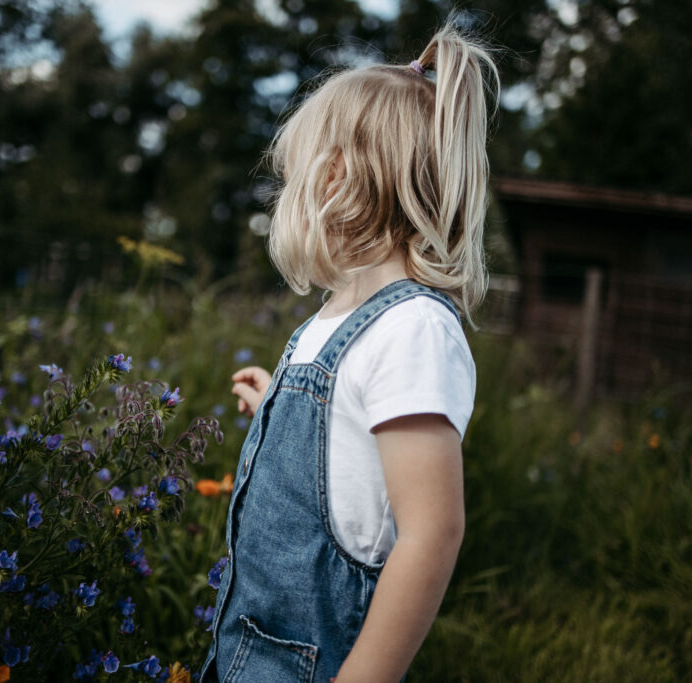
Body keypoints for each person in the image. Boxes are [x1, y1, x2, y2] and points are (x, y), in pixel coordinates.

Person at [199, 21, 498, 683]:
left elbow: (431, 531)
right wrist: (273, 409)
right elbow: (344, 456)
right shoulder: (332, 320)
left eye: (292, 177)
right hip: (246, 651)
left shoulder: (412, 329)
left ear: (336, 179)